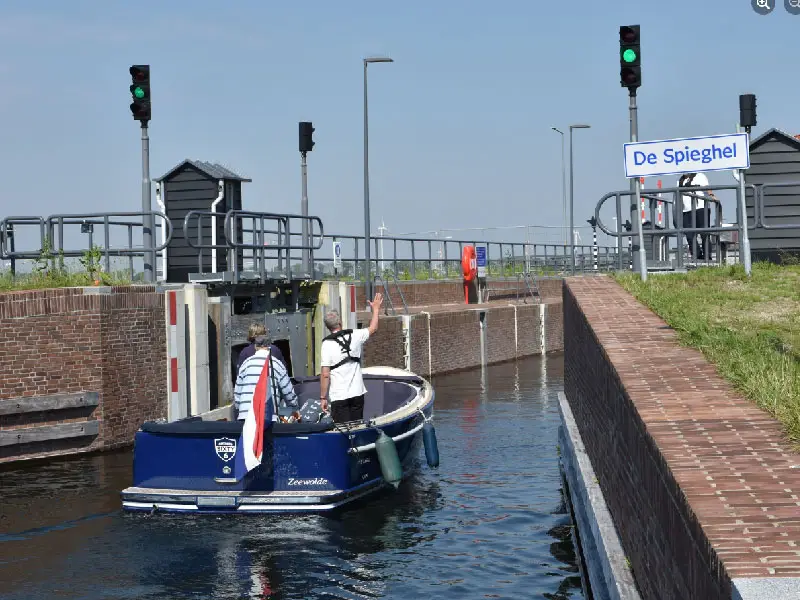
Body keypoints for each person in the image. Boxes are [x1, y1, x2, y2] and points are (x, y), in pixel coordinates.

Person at [319, 292, 383, 423]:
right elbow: (373, 328)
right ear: (340, 322)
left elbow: (325, 374)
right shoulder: (355, 335)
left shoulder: (326, 344)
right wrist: (376, 309)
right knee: (356, 426)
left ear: (327, 327)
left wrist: (323, 397)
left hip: (339, 396)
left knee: (343, 429)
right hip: (357, 392)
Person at [234, 335, 299, 422]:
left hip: (245, 416)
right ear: (269, 347)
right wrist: (294, 408)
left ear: (255, 347)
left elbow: (237, 394)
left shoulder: (246, 364)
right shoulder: (276, 364)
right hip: (267, 416)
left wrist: (241, 409)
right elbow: (288, 392)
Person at [677, 172, 717, 260]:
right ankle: (697, 256)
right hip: (686, 210)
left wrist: (712, 195)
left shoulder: (700, 176)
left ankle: (707, 256)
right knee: (689, 235)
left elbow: (707, 188)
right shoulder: (680, 181)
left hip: (701, 208)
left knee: (704, 233)